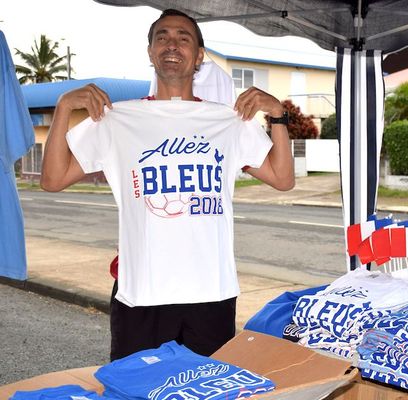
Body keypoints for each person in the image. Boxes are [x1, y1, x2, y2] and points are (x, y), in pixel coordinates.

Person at [40, 9, 294, 361]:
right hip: (142, 294)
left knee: (207, 390)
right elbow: (52, 180)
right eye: (162, 37)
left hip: (211, 293)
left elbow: (282, 179)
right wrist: (65, 106)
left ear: (199, 56)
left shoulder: (226, 120)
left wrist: (277, 114)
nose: (171, 44)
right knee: (138, 392)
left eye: (183, 37)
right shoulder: (117, 119)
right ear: (150, 52)